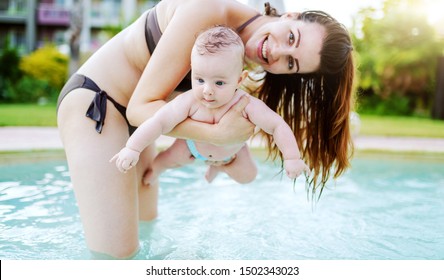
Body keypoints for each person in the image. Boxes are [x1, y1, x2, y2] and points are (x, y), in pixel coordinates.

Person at [56, 0, 355, 258]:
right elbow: (140, 107)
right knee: (116, 257)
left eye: (290, 63)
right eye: (291, 37)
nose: (276, 53)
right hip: (98, 103)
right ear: (290, 16)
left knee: (145, 233)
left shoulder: (241, 63)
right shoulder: (210, 9)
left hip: (140, 125)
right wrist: (216, 135)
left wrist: (224, 154)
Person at [111, 26, 310, 184]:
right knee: (167, 160)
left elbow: (276, 125)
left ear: (239, 80)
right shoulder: (189, 101)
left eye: (219, 83)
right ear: (192, 72)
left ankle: (220, 167)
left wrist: (292, 157)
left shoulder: (246, 104)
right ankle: (157, 170)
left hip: (231, 153)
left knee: (248, 176)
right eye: (199, 80)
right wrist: (133, 148)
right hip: (191, 147)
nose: (207, 90)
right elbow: (158, 123)